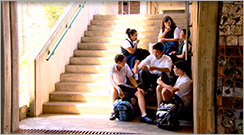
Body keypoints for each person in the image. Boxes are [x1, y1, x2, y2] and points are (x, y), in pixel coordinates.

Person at [108, 54, 153, 124]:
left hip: (124, 86)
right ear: (119, 62)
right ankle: (113, 111)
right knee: (114, 89)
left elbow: (131, 78)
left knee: (139, 93)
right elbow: (111, 80)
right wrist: (118, 88)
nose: (125, 62)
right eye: (124, 61)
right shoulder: (112, 67)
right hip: (115, 86)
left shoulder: (125, 66)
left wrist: (137, 87)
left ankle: (144, 115)